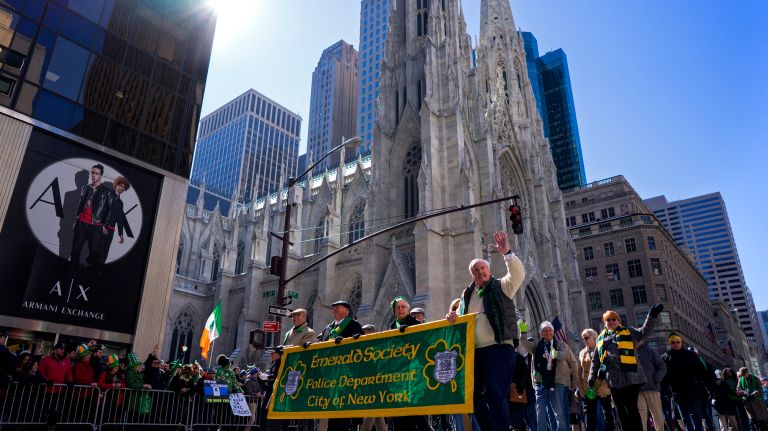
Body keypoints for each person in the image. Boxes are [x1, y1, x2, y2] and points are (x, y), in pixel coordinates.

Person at [445, 231, 526, 431]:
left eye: (482, 268)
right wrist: (452, 317)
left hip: (499, 348)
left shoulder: (502, 286)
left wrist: (506, 252)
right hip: (475, 351)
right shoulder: (467, 295)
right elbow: (463, 320)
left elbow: (518, 275)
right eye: (475, 269)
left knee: (495, 393)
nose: (480, 271)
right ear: (472, 274)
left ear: (488, 270)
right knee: (472, 396)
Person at [589, 305, 663, 430]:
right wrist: (591, 378)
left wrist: (652, 316)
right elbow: (595, 360)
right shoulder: (600, 339)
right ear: (604, 322)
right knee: (620, 412)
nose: (611, 322)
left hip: (632, 378)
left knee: (632, 409)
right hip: (613, 380)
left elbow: (645, 332)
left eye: (614, 319)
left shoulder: (628, 331)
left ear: (618, 321)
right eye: (608, 320)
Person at [316, 301, 363, 431]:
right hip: (329, 374)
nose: (334, 309)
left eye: (338, 307)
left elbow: (359, 347)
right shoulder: (327, 329)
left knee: (342, 409)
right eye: (333, 307)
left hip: (345, 373)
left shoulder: (354, 325)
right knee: (331, 408)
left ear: (347, 311)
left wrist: (346, 343)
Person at [389, 296, 433, 431]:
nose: (400, 310)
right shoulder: (392, 326)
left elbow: (424, 342)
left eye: (403, 307)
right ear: (395, 311)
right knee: (400, 414)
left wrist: (409, 332)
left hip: (414, 372)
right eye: (398, 308)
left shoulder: (415, 323)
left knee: (416, 411)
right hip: (399, 374)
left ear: (408, 310)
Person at [532, 321, 578, 431]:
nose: (548, 333)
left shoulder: (561, 344)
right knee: (543, 410)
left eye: (550, 330)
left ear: (553, 332)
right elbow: (533, 367)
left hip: (558, 382)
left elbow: (568, 358)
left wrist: (575, 380)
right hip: (542, 383)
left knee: (559, 410)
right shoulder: (538, 347)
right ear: (541, 333)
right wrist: (523, 332)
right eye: (545, 331)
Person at [661, 333, 712, 431]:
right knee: (685, 418)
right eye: (673, 342)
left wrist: (707, 387)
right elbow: (664, 378)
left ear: (681, 343)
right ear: (670, 344)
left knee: (697, 417)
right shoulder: (666, 357)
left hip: (694, 391)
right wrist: (667, 391)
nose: (676, 344)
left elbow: (702, 372)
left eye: (678, 342)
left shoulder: (691, 355)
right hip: (677, 393)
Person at [70, 164, 114, 268]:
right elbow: (81, 204)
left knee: (95, 253)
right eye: (92, 172)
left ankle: (84, 268)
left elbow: (110, 211)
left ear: (101, 175)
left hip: (96, 225)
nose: (93, 175)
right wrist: (76, 219)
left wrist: (105, 225)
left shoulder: (107, 192)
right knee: (75, 250)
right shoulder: (85, 188)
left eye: (96, 173)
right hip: (81, 223)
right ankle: (72, 272)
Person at [578, 328, 614, 431]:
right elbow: (579, 372)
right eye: (583, 338)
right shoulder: (582, 353)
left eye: (586, 338)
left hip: (603, 387)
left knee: (608, 414)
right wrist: (580, 388)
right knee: (590, 417)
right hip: (589, 389)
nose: (584, 340)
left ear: (594, 338)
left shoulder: (603, 349)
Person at [637, 342, 667, 431]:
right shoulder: (628, 352)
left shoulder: (650, 350)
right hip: (637, 390)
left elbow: (662, 367)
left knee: (657, 414)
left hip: (651, 388)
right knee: (640, 415)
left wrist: (656, 379)